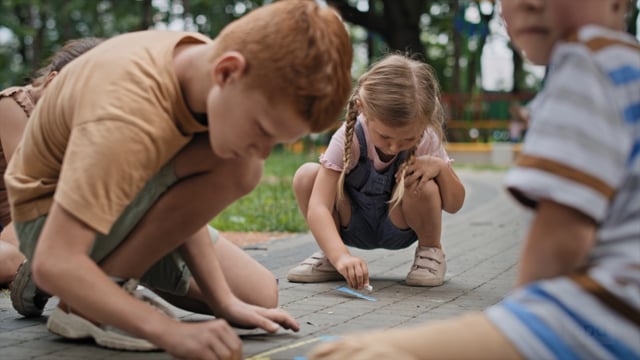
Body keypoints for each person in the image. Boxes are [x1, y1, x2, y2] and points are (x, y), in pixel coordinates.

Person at [6, 0, 353, 358]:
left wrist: (223, 301)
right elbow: (54, 262)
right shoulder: (127, 114)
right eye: (262, 129)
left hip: (121, 198)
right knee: (242, 165)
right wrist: (167, 331)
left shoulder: (205, 64)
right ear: (228, 72)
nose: (265, 150)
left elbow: (183, 197)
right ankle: (84, 303)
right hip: (50, 221)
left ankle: (97, 281)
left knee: (256, 293)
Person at [307, 0, 640, 359]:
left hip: (609, 321)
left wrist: (519, 331)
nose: (531, 2)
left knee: (353, 353)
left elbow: (562, 240)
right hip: (613, 312)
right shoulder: (622, 65)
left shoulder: (587, 67)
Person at [286, 54, 466, 290]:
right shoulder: (349, 138)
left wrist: (440, 168)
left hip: (399, 224)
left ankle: (430, 252)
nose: (393, 147)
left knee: (423, 184)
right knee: (306, 176)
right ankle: (331, 257)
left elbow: (454, 204)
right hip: (352, 223)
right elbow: (319, 206)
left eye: (407, 139)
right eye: (385, 136)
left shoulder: (426, 137)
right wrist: (341, 256)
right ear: (363, 110)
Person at [0, 37, 104, 288]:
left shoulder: (74, 127)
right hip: (22, 220)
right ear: (53, 81)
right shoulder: (11, 104)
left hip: (26, 226)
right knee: (10, 260)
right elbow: (30, 188)